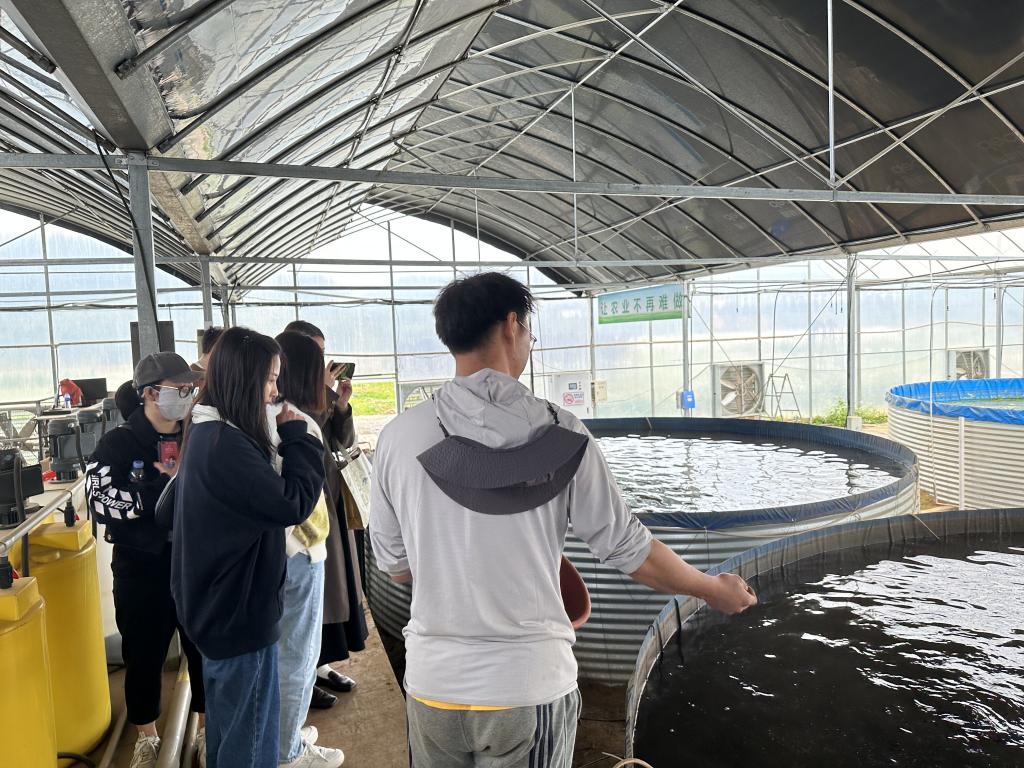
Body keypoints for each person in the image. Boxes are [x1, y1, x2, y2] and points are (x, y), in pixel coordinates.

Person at [370, 273, 758, 768]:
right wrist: (711, 588)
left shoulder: (398, 437)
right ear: (511, 325)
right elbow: (630, 550)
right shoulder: (562, 431)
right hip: (528, 686)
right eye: (529, 331)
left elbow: (397, 569)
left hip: (433, 687)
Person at [170, 328, 326, 768]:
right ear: (246, 379)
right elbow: (291, 504)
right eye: (271, 379)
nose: (275, 391)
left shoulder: (209, 430)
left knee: (234, 729)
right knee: (251, 741)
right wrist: (298, 438)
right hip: (238, 612)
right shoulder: (226, 444)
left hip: (217, 607)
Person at [85, 353, 207, 768]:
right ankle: (147, 737)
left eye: (191, 388)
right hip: (141, 567)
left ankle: (205, 729)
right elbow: (100, 498)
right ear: (151, 394)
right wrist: (159, 494)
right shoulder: (119, 443)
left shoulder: (199, 433)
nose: (188, 395)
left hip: (193, 561)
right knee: (143, 653)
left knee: (202, 648)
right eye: (180, 389)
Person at [283, 320, 367, 706]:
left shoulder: (318, 396)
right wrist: (328, 396)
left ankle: (319, 665)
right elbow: (305, 438)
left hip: (329, 499)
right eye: (315, 354)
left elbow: (339, 440)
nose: (323, 363)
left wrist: (341, 405)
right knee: (316, 592)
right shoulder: (286, 401)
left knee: (334, 588)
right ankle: (304, 676)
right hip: (306, 512)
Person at [272, 331, 345, 768]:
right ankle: (289, 752)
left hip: (274, 555)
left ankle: (286, 736)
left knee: (283, 654)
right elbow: (303, 498)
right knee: (297, 656)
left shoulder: (258, 416)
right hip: (300, 553)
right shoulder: (301, 424)